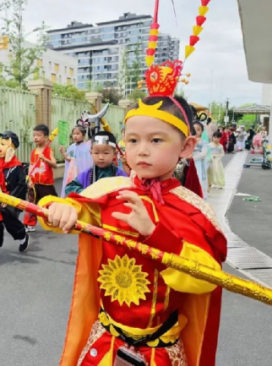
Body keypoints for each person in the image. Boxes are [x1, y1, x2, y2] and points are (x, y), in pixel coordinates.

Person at [37, 53, 227, 365]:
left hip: (160, 350)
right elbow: (70, 208)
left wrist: (157, 235)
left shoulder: (194, 209)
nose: (142, 150)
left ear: (186, 147)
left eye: (156, 140)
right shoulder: (110, 191)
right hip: (105, 342)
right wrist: (57, 208)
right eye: (134, 140)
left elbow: (206, 278)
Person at [0, 131, 29, 262]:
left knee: (10, 223)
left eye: (2, 144)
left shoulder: (17, 167)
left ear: (11, 147)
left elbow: (21, 185)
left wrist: (9, 200)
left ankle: (22, 236)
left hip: (10, 200)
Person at [65, 131, 127, 196]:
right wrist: (86, 193)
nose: (101, 157)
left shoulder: (120, 175)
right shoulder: (87, 173)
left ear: (114, 154)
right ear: (91, 153)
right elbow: (69, 187)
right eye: (96, 153)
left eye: (106, 153)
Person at [23, 124, 58, 232]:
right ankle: (29, 224)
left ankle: (54, 220)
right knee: (32, 204)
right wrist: (29, 178)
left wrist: (45, 158)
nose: (35, 138)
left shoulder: (48, 150)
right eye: (34, 135)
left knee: (49, 203)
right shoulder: (33, 152)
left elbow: (55, 164)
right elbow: (31, 166)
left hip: (46, 184)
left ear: (46, 137)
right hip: (34, 184)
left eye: (38, 135)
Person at [59, 125, 93, 197]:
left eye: (78, 134)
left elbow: (88, 162)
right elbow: (69, 159)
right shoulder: (71, 147)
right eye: (74, 134)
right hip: (72, 174)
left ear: (83, 135)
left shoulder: (87, 148)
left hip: (81, 173)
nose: (75, 136)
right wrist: (63, 152)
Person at [192, 121, 209, 200]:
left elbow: (203, 154)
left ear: (202, 131)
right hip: (190, 164)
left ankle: (201, 197)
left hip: (199, 163)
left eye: (198, 129)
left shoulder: (203, 142)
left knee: (200, 180)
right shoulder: (188, 141)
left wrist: (192, 158)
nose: (196, 131)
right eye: (194, 129)